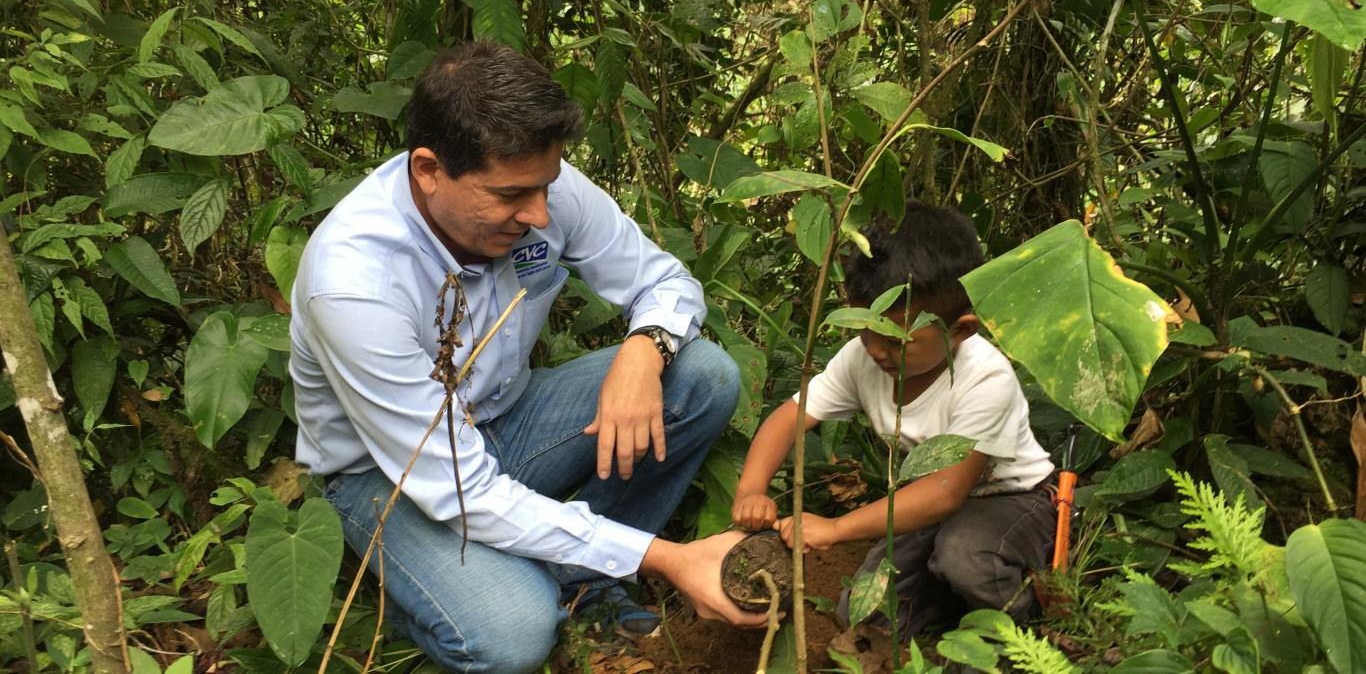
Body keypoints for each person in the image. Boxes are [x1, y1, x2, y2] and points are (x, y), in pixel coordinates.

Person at [290, 41, 767, 673]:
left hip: (507, 422)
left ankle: (582, 577)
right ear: (429, 170)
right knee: (513, 631)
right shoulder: (354, 283)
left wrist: (643, 351)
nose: (539, 213)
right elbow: (460, 491)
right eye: (512, 196)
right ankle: (450, 590)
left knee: (700, 375)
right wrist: (668, 558)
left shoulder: (536, 182)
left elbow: (666, 283)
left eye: (545, 187)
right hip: (392, 475)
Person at [730, 201, 1056, 636]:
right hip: (927, 505)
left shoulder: (986, 379)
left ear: (960, 330)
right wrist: (751, 490)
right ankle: (945, 603)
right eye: (867, 331)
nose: (878, 351)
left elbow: (945, 491)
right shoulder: (861, 359)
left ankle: (1015, 630)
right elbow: (787, 418)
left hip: (1011, 500)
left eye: (899, 340)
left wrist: (836, 528)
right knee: (863, 614)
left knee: (963, 555)